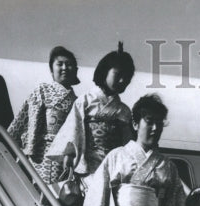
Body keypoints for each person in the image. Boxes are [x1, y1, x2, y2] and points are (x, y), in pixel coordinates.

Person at [46, 44, 134, 197]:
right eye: (118, 75)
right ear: (104, 72)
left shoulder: (124, 111)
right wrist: (69, 154)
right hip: (88, 166)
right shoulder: (85, 101)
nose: (122, 80)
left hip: (114, 168)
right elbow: (73, 129)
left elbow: (127, 143)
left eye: (126, 77)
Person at [7, 46, 79, 185]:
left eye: (69, 64)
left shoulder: (77, 101)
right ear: (51, 69)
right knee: (38, 189)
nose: (64, 68)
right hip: (40, 152)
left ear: (76, 70)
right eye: (60, 64)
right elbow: (24, 120)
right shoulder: (43, 90)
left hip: (65, 155)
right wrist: (27, 146)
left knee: (60, 191)